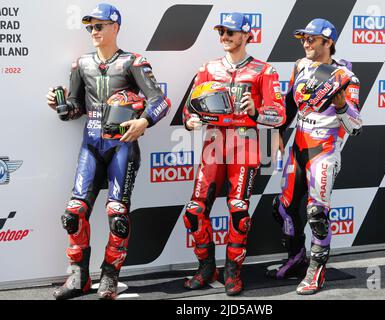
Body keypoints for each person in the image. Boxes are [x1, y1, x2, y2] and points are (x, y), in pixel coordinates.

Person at [46, 3, 170, 300]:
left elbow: (160, 101)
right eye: (89, 27)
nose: (93, 31)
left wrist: (143, 121)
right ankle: (78, 278)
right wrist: (61, 105)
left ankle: (110, 277)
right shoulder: (82, 64)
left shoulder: (133, 62)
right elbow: (75, 107)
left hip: (121, 146)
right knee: (73, 214)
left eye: (99, 26)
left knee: (117, 214)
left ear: (115, 27)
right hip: (91, 144)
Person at [182, 12, 286, 296]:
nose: (224, 37)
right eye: (221, 33)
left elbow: (279, 114)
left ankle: (232, 271)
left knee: (238, 211)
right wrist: (191, 120)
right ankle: (206, 267)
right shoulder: (208, 68)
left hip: (244, 144)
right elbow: (189, 110)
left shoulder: (265, 71)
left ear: (246, 35)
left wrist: (254, 111)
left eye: (230, 32)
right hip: (213, 143)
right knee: (194, 213)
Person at [270, 18, 362, 295]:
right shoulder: (300, 65)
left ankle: (316, 271)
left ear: (328, 42)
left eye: (311, 39)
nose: (306, 43)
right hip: (298, 146)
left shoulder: (346, 76)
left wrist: (342, 105)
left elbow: (355, 127)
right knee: (283, 208)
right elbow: (288, 104)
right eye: (303, 39)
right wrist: (278, 132)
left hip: (324, 150)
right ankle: (296, 259)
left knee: (317, 213)